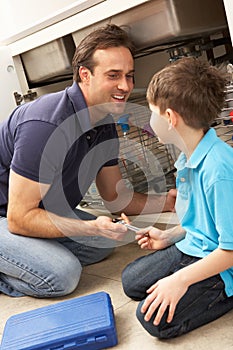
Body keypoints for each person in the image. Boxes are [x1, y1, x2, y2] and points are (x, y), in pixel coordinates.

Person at [0, 24, 176, 298]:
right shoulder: (46, 125)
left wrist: (167, 202)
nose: (126, 86)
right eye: (113, 75)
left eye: (129, 76)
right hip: (9, 214)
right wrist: (88, 226)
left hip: (35, 211)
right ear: (85, 75)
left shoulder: (104, 120)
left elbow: (115, 197)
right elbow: (19, 218)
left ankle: (26, 255)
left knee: (101, 244)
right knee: (62, 274)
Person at [122, 57, 233, 339]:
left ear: (170, 118)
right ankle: (186, 279)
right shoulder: (188, 156)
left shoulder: (219, 170)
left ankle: (223, 295)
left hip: (223, 264)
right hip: (195, 246)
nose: (149, 119)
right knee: (131, 281)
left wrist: (180, 279)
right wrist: (168, 236)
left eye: (151, 112)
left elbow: (230, 249)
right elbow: (202, 219)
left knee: (151, 320)